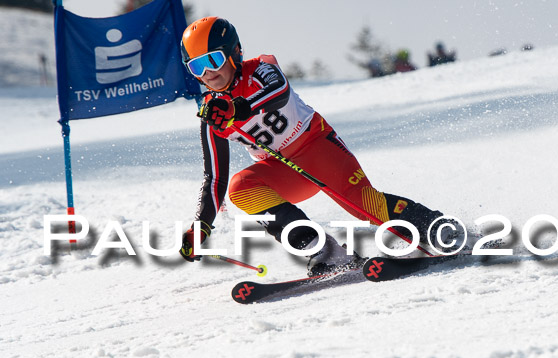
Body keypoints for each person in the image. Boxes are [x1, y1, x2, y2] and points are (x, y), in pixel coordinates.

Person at [178, 17, 458, 275]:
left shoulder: (261, 69)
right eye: (197, 66)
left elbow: (278, 93)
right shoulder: (211, 115)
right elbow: (215, 177)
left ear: (234, 52)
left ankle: (437, 229)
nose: (208, 72)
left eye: (213, 59)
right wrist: (201, 226)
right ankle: (326, 252)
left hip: (317, 147)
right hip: (282, 169)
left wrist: (239, 108)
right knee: (241, 189)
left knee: (365, 207)